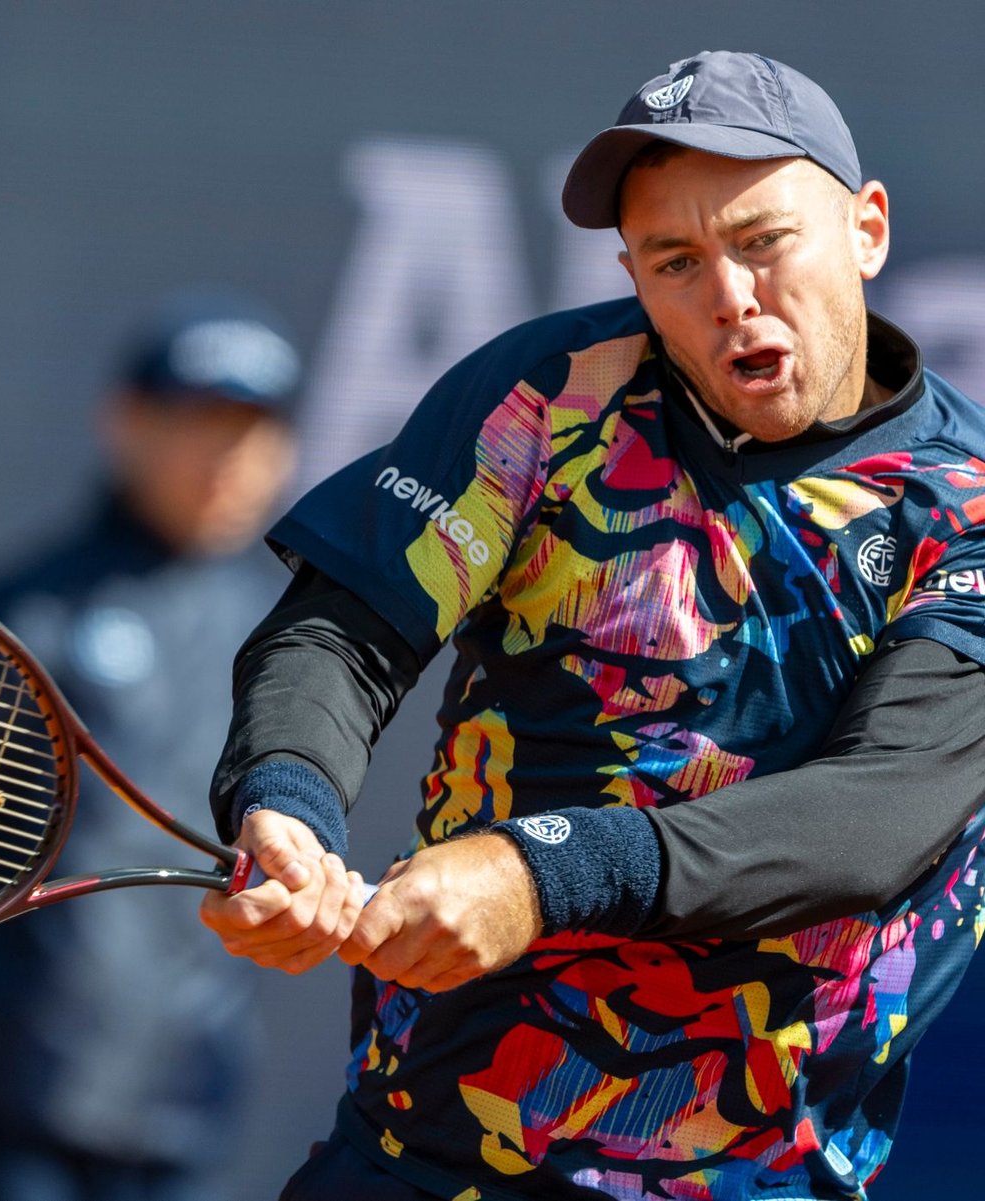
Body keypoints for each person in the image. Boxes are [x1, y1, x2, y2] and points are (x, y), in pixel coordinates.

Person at [199, 51, 985, 1201]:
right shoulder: (548, 392)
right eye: (677, 261)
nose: (729, 294)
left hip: (760, 1180)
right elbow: (344, 632)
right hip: (429, 1156)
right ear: (631, 272)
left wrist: (535, 874)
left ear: (864, 231)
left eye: (765, 240)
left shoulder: (964, 506)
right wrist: (289, 804)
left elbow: (875, 816)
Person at [0, 289, 302, 1201]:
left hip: (192, 1123)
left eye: (254, 431)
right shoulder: (25, 616)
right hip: (17, 1115)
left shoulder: (295, 650)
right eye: (202, 423)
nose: (228, 459)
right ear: (126, 422)